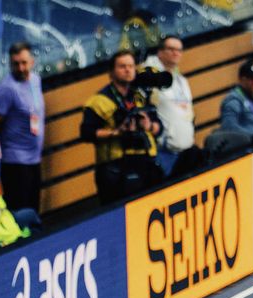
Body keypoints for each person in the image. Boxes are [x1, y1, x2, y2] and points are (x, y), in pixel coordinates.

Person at [81, 51, 163, 205]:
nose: (128, 70)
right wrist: (116, 132)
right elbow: (86, 133)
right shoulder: (98, 101)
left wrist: (149, 125)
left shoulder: (142, 96)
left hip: (146, 163)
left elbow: (160, 128)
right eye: (122, 66)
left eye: (131, 66)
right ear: (111, 72)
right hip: (115, 168)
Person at [0, 42, 46, 218]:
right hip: (15, 162)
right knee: (20, 213)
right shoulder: (7, 89)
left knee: (33, 209)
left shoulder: (35, 80)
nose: (21, 68)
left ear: (32, 61)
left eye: (24, 62)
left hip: (34, 159)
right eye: (16, 64)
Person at [143, 36, 201, 177]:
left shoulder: (181, 80)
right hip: (163, 153)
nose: (176, 53)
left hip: (185, 151)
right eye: (171, 49)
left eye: (179, 50)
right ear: (160, 52)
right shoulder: (149, 76)